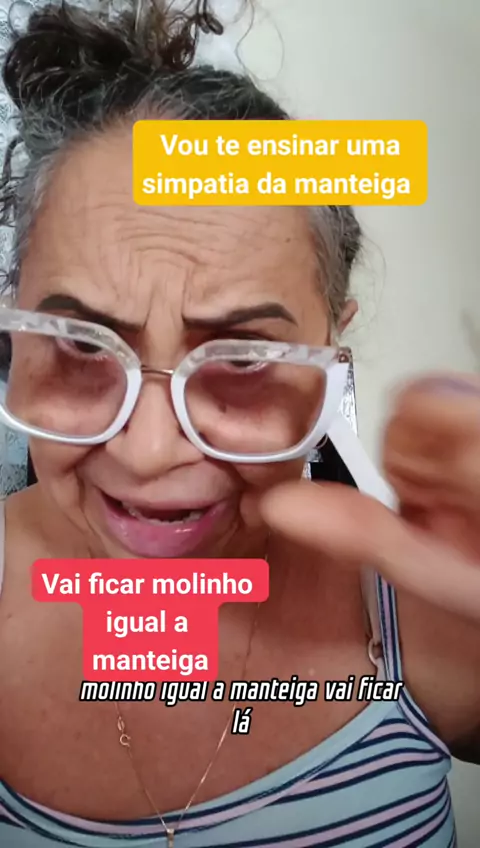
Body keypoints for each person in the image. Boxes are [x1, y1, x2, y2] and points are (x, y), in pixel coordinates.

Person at [0, 2, 478, 846]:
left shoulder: (420, 610)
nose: (149, 452)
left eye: (246, 361)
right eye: (80, 344)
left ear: (333, 358)